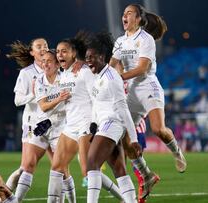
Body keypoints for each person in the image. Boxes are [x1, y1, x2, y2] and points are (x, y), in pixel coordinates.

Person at [110, 4, 187, 174]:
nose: (124, 16)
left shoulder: (146, 39)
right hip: (131, 91)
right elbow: (113, 64)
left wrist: (119, 77)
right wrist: (105, 76)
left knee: (159, 129)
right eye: (123, 13)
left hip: (147, 86)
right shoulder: (120, 41)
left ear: (138, 19)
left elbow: (142, 68)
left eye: (129, 13)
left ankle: (176, 151)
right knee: (125, 138)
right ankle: (146, 175)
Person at [47, 34, 122, 203]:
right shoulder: (64, 74)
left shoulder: (84, 71)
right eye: (58, 51)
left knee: (87, 171)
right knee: (57, 167)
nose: (60, 55)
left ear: (74, 53)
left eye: (64, 51)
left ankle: (123, 197)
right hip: (70, 125)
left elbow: (96, 96)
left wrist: (96, 122)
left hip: (86, 123)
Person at [3, 50, 76, 202]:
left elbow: (69, 104)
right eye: (43, 61)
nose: (45, 64)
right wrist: (59, 99)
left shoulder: (66, 79)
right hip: (41, 126)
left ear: (57, 64)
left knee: (62, 170)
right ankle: (16, 201)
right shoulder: (39, 81)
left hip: (59, 129)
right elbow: (43, 106)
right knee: (28, 165)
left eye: (49, 61)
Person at [85, 31, 139, 203]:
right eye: (87, 57)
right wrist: (94, 123)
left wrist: (134, 137)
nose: (88, 60)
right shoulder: (98, 77)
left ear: (102, 56)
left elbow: (122, 108)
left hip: (112, 123)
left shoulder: (111, 77)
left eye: (92, 57)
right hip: (104, 125)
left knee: (92, 163)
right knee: (119, 170)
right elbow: (97, 103)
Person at [3, 38, 51, 193]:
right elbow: (18, 101)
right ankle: (4, 198)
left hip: (54, 123)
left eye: (45, 45)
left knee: (61, 169)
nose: (43, 48)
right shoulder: (26, 73)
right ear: (32, 52)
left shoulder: (55, 69)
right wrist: (35, 95)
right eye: (39, 46)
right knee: (25, 168)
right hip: (33, 124)